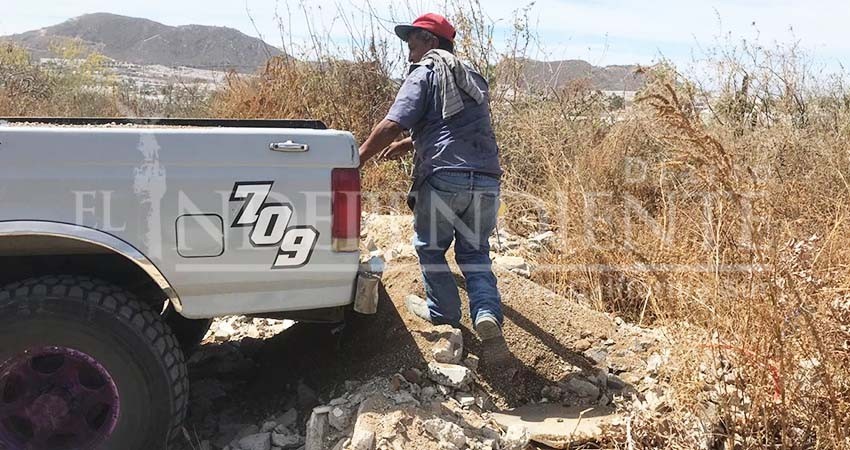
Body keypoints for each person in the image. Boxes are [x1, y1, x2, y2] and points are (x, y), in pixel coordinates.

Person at [358, 13, 505, 346]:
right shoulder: (473, 79)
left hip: (443, 178)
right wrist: (409, 144)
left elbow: (392, 123)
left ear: (431, 43)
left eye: (413, 46)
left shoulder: (426, 71)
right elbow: (458, 128)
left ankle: (443, 313)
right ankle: (486, 314)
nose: (410, 55)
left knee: (433, 249)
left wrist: (357, 160)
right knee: (476, 253)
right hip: (485, 178)